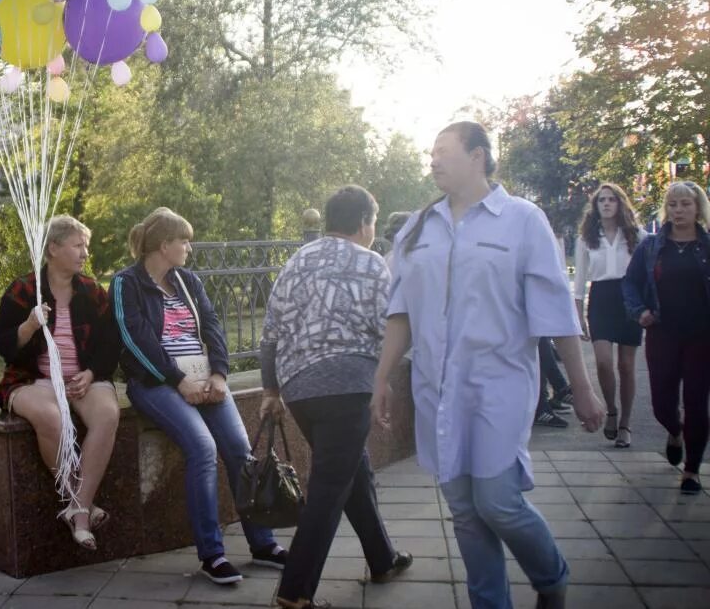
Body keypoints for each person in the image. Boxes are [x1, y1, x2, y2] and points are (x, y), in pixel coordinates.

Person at [371, 121, 603, 609]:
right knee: (464, 511)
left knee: (497, 502)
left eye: (442, 151)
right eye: (430, 152)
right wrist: (382, 379)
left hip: (500, 384)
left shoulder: (522, 220)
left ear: (478, 156)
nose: (432, 160)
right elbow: (401, 311)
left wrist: (581, 387)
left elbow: (555, 311)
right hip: (437, 388)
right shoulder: (417, 228)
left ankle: (551, 576)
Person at [112, 207, 286, 585]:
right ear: (164, 245)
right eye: (184, 241)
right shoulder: (127, 283)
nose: (189, 247)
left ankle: (263, 544)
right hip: (155, 384)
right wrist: (178, 381)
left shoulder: (188, 280)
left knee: (242, 452)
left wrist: (221, 375)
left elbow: (212, 326)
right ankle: (213, 555)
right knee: (203, 448)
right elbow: (134, 338)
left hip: (204, 377)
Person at [260, 186, 412, 609]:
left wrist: (271, 389)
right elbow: (390, 328)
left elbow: (270, 332)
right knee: (329, 485)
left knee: (350, 468)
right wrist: (388, 376)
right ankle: (294, 593)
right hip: (348, 385)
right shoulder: (372, 264)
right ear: (364, 221)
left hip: (299, 390)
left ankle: (382, 558)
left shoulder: (296, 261)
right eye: (374, 222)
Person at [0, 216, 121, 551]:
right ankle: (84, 510)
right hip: (33, 379)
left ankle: (76, 511)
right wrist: (28, 327)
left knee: (107, 414)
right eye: (78, 245)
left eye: (85, 246)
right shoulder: (23, 290)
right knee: (52, 417)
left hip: (84, 378)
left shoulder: (92, 291)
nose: (84, 253)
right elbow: (3, 344)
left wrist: (92, 373)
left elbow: (111, 344)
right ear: (53, 248)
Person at [622, 180, 710, 494]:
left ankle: (691, 471)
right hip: (662, 333)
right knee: (662, 403)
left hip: (701, 336)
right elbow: (630, 283)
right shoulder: (651, 246)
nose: (678, 210)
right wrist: (639, 310)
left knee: (697, 402)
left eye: (685, 204)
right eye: (673, 204)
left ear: (698, 207)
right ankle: (675, 431)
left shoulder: (707, 245)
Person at [574, 183, 646, 449]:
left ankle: (625, 423)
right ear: (595, 206)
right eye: (601, 200)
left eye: (611, 200)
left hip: (629, 298)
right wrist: (578, 314)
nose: (606, 204)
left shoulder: (637, 235)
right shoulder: (587, 238)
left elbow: (646, 272)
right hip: (601, 299)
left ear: (620, 204)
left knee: (626, 366)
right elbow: (580, 280)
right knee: (603, 362)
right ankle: (611, 411)